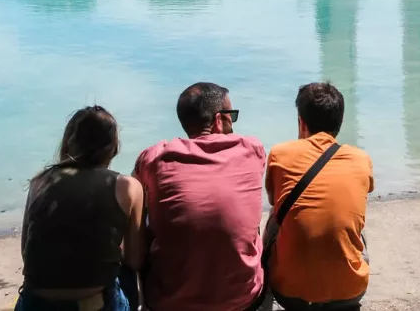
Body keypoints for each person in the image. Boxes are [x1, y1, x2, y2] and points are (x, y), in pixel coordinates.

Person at [133, 83, 266, 311]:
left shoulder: (155, 157)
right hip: (241, 300)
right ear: (218, 120)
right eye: (231, 116)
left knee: (145, 215)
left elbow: (132, 199)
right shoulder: (251, 148)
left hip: (169, 302)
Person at [17, 107, 144, 311]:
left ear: (68, 142)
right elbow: (135, 259)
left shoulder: (40, 181)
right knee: (126, 272)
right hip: (94, 305)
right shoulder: (127, 186)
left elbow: (26, 252)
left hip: (36, 303)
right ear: (113, 147)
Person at [265, 83, 373, 311]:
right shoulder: (361, 159)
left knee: (275, 217)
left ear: (301, 122)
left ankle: (264, 300)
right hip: (350, 292)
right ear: (340, 123)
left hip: (289, 294)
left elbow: (275, 201)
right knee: (353, 223)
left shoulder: (279, 154)